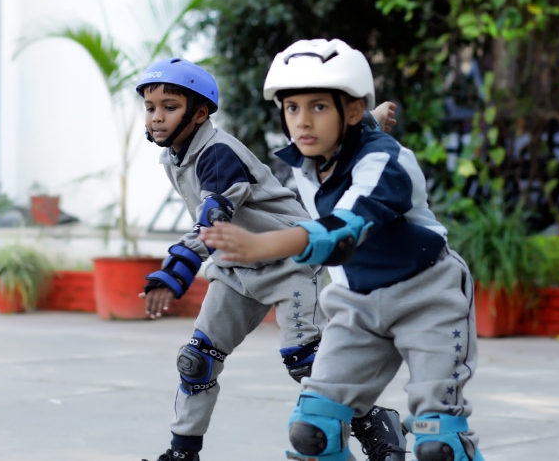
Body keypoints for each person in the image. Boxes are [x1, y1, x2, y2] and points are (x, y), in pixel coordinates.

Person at [199, 39, 486, 461]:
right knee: (312, 432)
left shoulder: (387, 164)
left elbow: (340, 231)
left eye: (318, 107)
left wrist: (262, 244)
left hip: (428, 298)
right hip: (356, 306)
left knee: (437, 443)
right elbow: (355, 125)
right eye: (292, 108)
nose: (302, 122)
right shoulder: (317, 150)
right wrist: (374, 114)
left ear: (348, 111)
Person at [135, 57, 405, 461]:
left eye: (169, 107)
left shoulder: (218, 153)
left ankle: (373, 420)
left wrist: (175, 272)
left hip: (288, 263)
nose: (157, 117)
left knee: (307, 363)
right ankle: (182, 452)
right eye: (150, 107)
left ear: (200, 113)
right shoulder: (174, 156)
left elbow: (213, 218)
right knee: (197, 362)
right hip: (236, 268)